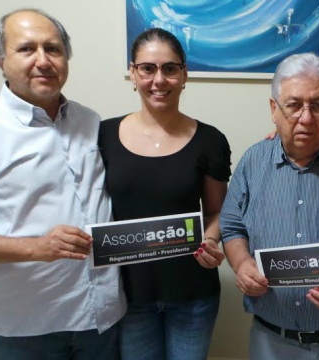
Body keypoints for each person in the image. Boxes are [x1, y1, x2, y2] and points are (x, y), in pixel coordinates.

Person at [0, 9, 125, 360]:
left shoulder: (89, 120)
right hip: (22, 329)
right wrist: (39, 247)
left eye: (53, 48)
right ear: (1, 60)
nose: (43, 60)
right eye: (26, 49)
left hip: (101, 317)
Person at [220, 52, 319, 360]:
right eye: (294, 104)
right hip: (270, 338)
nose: (306, 118)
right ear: (274, 109)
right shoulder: (253, 161)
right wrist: (242, 264)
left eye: (318, 105)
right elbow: (231, 226)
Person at [98, 28, 231, 360]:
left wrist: (212, 240)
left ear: (184, 75)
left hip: (193, 294)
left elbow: (217, 211)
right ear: (133, 73)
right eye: (148, 68)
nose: (159, 79)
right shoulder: (103, 136)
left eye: (170, 68)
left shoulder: (210, 140)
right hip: (128, 296)